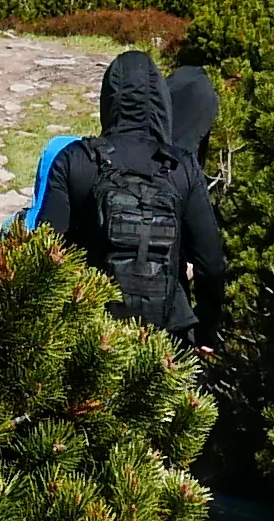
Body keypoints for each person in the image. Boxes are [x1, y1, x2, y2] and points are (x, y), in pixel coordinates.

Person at [16, 48, 231, 343]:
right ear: (161, 101)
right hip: (165, 335)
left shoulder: (76, 160)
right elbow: (211, 264)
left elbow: (45, 252)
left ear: (108, 99)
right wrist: (205, 329)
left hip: (92, 334)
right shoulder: (182, 166)